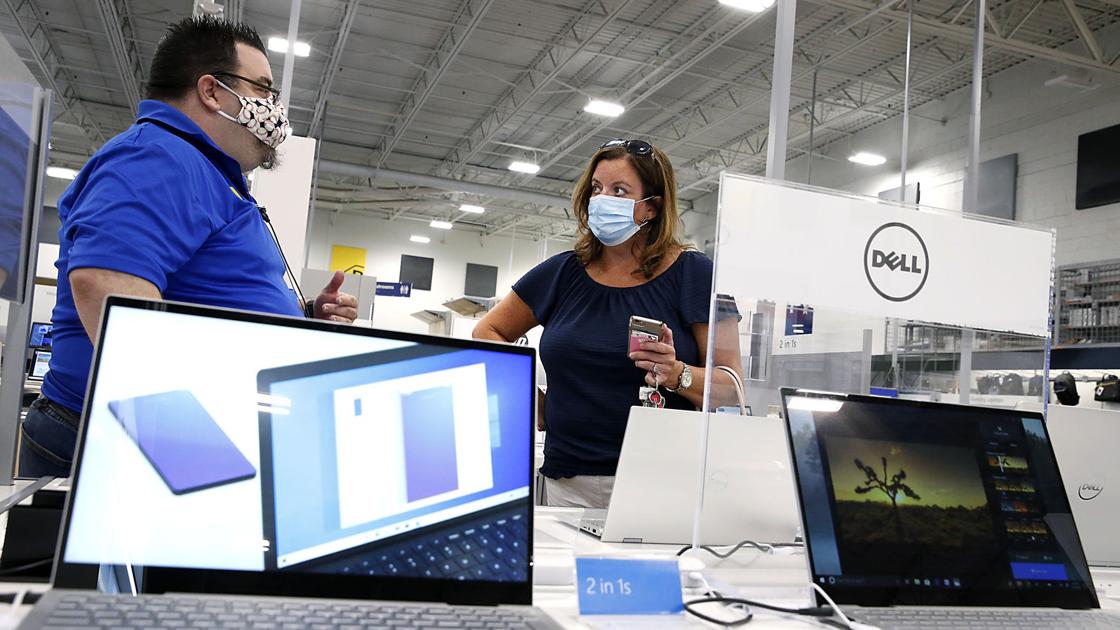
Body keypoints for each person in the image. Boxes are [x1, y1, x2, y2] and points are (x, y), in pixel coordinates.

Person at [18, 16, 358, 478]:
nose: (274, 108)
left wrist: (303, 315)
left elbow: (206, 292)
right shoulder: (157, 154)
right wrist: (192, 451)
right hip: (122, 440)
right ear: (212, 91)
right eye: (262, 89)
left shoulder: (203, 169)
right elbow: (103, 284)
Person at [473, 138, 742, 508]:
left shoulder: (695, 274)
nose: (601, 200)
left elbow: (731, 388)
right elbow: (486, 332)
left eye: (619, 190)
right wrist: (527, 394)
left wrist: (676, 373)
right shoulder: (562, 273)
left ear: (651, 207)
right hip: (567, 481)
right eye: (597, 188)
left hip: (660, 485)